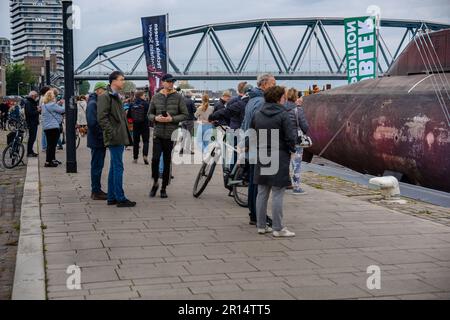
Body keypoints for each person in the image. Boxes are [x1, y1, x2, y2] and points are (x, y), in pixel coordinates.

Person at [251, 86, 297, 237]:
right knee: (277, 192)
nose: (285, 99)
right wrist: (292, 150)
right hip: (279, 153)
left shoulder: (258, 114)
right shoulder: (284, 114)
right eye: (283, 97)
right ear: (279, 98)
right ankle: (278, 228)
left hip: (263, 153)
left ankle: (261, 226)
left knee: (262, 192)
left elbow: (252, 134)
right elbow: (290, 137)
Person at [97, 71, 136, 208]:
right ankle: (120, 198)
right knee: (118, 167)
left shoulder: (115, 96)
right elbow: (102, 118)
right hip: (115, 137)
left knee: (114, 167)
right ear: (113, 81)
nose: (123, 82)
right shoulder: (105, 96)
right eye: (121, 79)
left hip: (119, 136)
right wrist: (112, 132)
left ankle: (112, 197)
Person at [241, 74, 276, 226]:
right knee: (259, 184)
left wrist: (244, 142)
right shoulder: (262, 101)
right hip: (259, 145)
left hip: (252, 145)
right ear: (264, 84)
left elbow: (245, 123)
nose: (275, 85)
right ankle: (258, 215)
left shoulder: (251, 100)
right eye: (273, 83)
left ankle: (253, 214)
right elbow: (258, 124)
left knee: (253, 183)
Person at [148, 73, 188, 199]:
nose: (171, 83)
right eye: (169, 81)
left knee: (166, 161)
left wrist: (172, 119)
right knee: (154, 159)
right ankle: (155, 182)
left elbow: (185, 114)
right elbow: (149, 114)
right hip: (158, 133)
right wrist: (156, 118)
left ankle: (164, 187)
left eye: (172, 82)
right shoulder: (155, 97)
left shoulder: (178, 97)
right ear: (163, 82)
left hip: (171, 134)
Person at [87, 82, 108, 201]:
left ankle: (97, 189)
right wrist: (102, 136)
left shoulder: (95, 102)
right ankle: (95, 191)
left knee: (98, 165)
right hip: (97, 141)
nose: (105, 92)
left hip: (97, 140)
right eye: (104, 90)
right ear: (98, 90)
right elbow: (92, 123)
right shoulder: (93, 103)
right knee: (96, 166)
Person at [285, 88, 309, 195]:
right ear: (296, 97)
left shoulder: (282, 108)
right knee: (296, 165)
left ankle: (285, 183)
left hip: (284, 140)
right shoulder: (297, 110)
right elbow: (305, 127)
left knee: (285, 163)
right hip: (296, 141)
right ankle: (297, 187)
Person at [41, 90, 64, 167]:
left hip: (47, 127)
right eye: (54, 96)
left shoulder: (44, 105)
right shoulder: (52, 105)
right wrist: (63, 103)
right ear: (52, 97)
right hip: (53, 127)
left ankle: (51, 160)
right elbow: (62, 110)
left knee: (50, 145)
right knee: (52, 145)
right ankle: (48, 162)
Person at [129, 90, 150, 165]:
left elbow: (129, 116)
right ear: (141, 96)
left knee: (136, 142)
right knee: (146, 141)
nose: (145, 96)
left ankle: (135, 158)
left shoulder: (132, 104)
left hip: (136, 125)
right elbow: (150, 114)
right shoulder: (146, 104)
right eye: (144, 95)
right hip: (145, 124)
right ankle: (145, 156)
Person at [24, 91, 41, 157]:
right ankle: (29, 152)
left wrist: (36, 109)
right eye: (35, 96)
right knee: (32, 138)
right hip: (32, 123)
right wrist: (37, 111)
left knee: (32, 138)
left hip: (33, 122)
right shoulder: (29, 103)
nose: (36, 97)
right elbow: (30, 113)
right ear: (32, 96)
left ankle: (31, 151)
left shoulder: (30, 102)